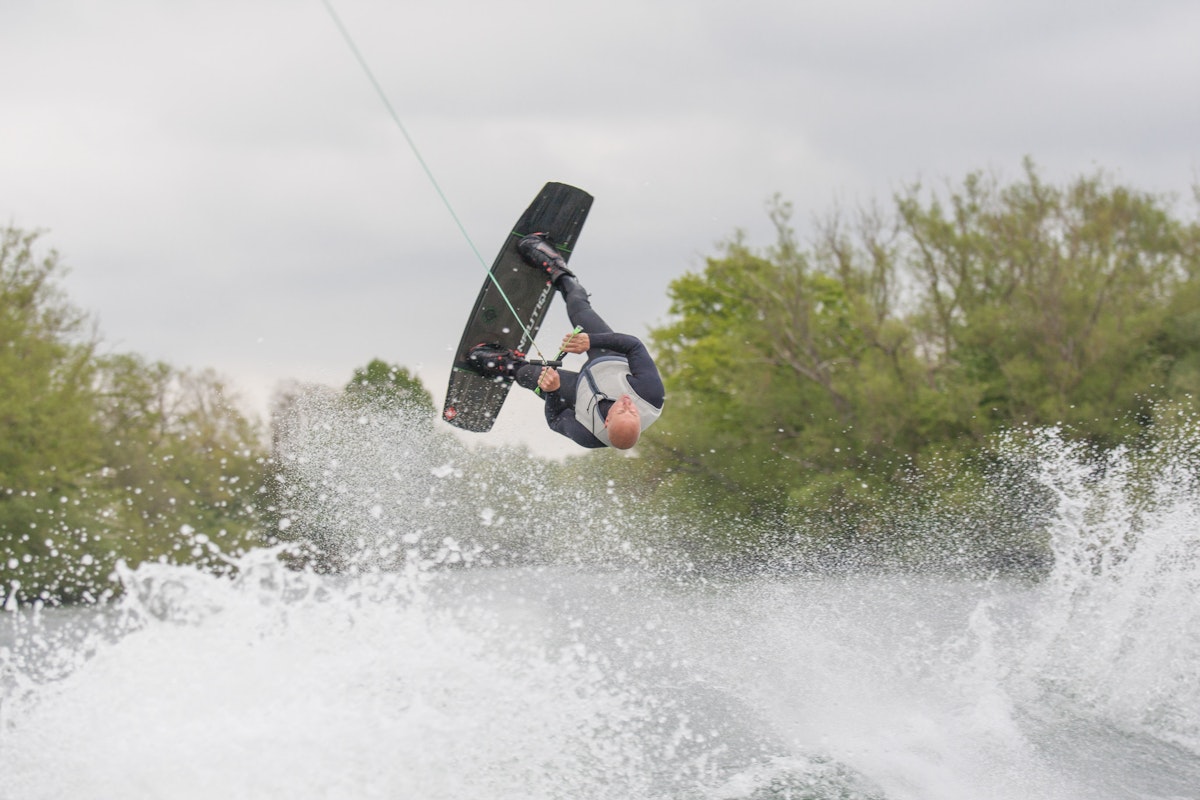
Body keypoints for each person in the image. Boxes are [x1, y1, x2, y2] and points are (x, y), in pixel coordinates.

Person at [467, 233, 665, 450]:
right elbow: (634, 345)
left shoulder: (590, 436)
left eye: (622, 410)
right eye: (632, 411)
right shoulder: (649, 394)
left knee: (529, 376)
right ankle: (557, 269)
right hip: (608, 357)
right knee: (578, 308)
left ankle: (506, 363)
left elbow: (556, 420)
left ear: (607, 422)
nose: (628, 403)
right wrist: (590, 341)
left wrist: (552, 391)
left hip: (578, 390)